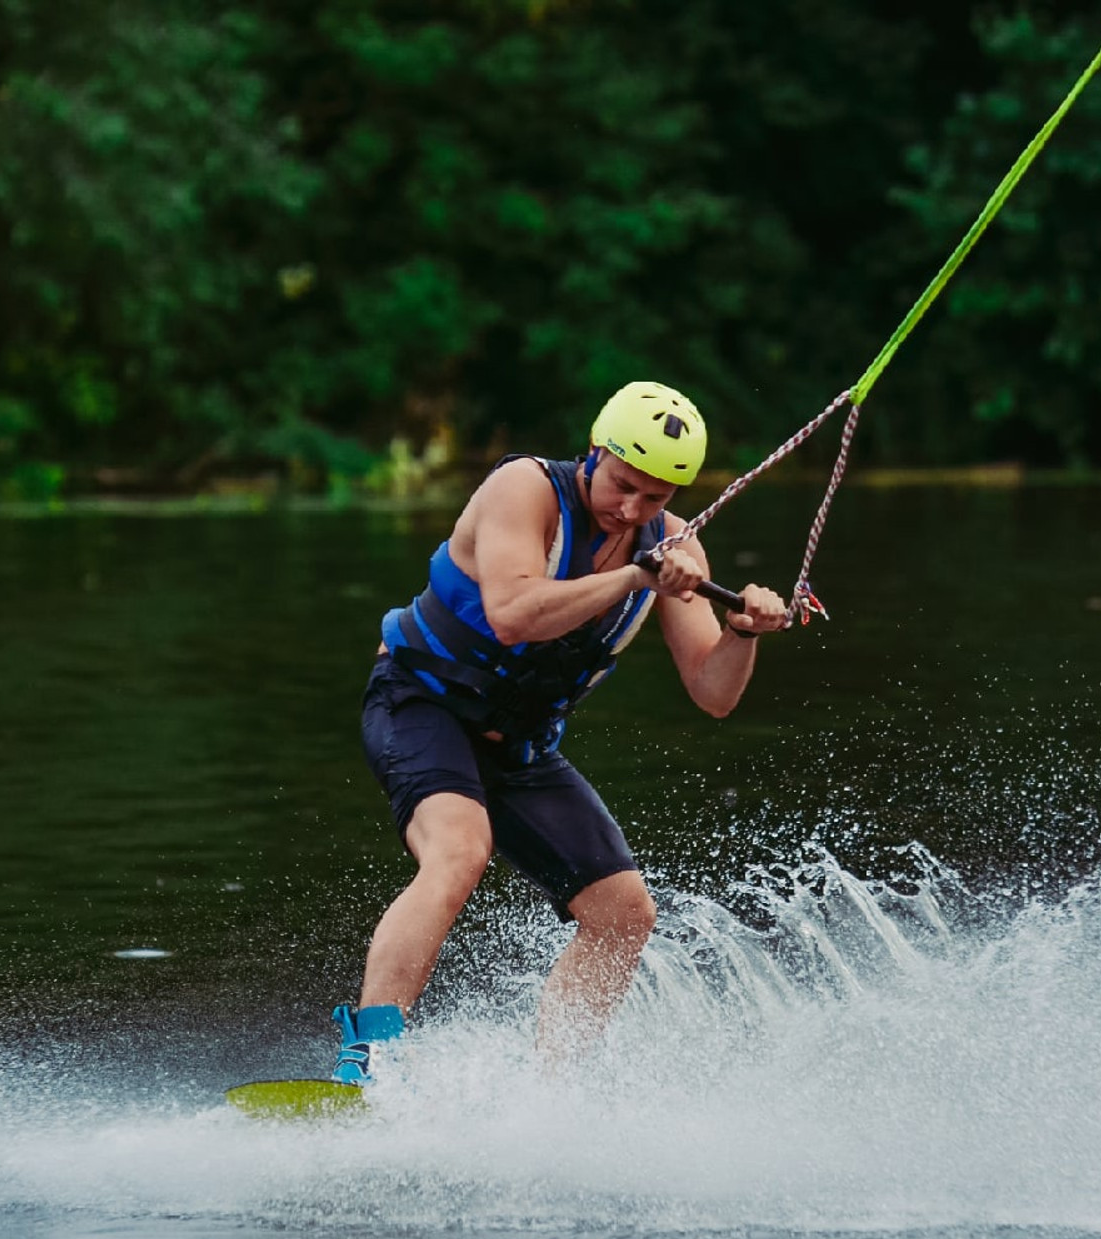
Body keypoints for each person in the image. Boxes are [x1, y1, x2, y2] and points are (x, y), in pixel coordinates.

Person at [331, 381, 790, 1084]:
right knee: (460, 852)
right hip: (422, 703)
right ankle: (367, 1059)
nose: (632, 509)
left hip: (519, 745)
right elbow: (513, 613)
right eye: (623, 485)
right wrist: (638, 577)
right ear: (596, 452)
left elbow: (714, 692)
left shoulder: (671, 546)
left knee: (625, 913)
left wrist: (742, 631)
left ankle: (557, 1091)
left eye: (656, 499)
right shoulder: (525, 490)